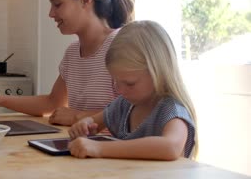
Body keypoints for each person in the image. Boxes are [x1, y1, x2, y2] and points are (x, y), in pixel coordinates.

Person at [0, 0, 134, 126]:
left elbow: (134, 113)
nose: (51, 13)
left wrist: (78, 116)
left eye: (57, 4)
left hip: (111, 149)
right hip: (78, 146)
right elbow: (53, 103)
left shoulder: (121, 47)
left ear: (85, 0)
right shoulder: (72, 52)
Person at [68, 20, 197, 160]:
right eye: (116, 81)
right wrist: (85, 125)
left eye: (130, 83)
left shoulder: (171, 110)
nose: (121, 90)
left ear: (157, 73)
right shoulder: (124, 105)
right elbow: (94, 122)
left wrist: (99, 148)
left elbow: (171, 147)